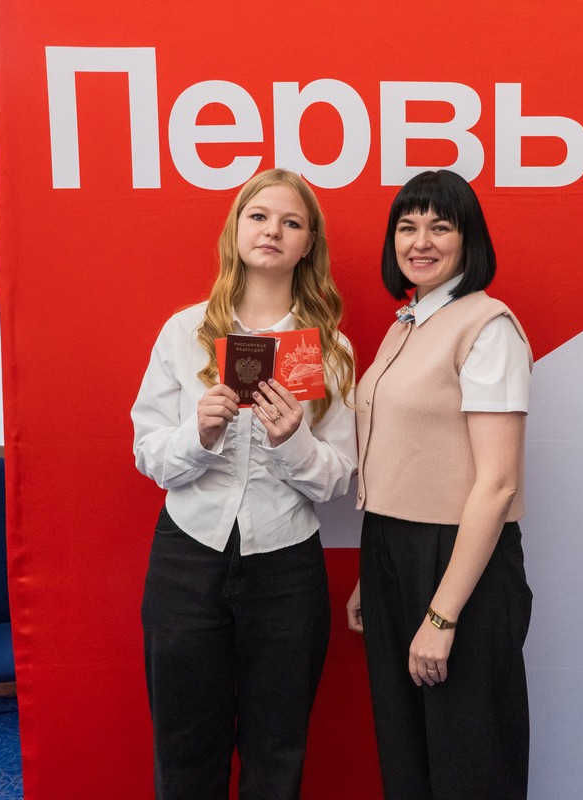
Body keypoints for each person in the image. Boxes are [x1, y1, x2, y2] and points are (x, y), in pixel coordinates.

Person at [132, 168, 357, 800]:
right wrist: (198, 435)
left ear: (307, 244)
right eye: (259, 216)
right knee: (184, 750)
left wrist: (293, 441)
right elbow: (147, 453)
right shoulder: (185, 333)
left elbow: (338, 478)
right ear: (236, 229)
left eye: (291, 222)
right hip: (187, 558)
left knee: (277, 753)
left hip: (286, 568)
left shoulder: (330, 350)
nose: (272, 231)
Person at [345, 169, 533, 800]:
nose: (420, 242)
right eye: (407, 227)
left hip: (459, 561)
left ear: (468, 240)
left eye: (439, 226)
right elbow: (407, 455)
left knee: (469, 759)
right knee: (408, 753)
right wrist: (374, 574)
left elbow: (497, 483)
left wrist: (441, 613)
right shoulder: (407, 324)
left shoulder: (487, 326)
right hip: (391, 551)